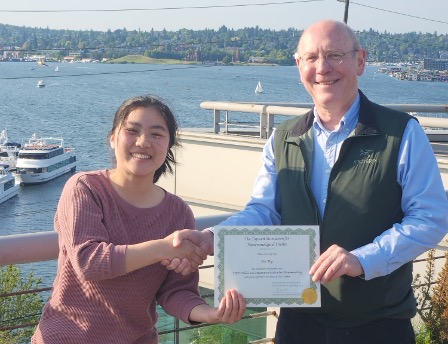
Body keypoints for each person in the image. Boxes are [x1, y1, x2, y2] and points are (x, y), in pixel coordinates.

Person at [162, 20, 448, 343]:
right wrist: (213, 238)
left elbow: (432, 218)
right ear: (299, 67)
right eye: (311, 58)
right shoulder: (282, 138)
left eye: (335, 55)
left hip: (378, 326)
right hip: (298, 325)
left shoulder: (402, 134)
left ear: (361, 61)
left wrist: (362, 259)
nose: (322, 68)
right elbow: (264, 213)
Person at [31, 95, 246, 344]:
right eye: (132, 131)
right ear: (112, 138)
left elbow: (176, 291)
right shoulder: (85, 188)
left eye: (157, 134)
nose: (143, 142)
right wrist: (164, 247)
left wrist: (212, 313)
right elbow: (89, 262)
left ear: (169, 146)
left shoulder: (178, 213)